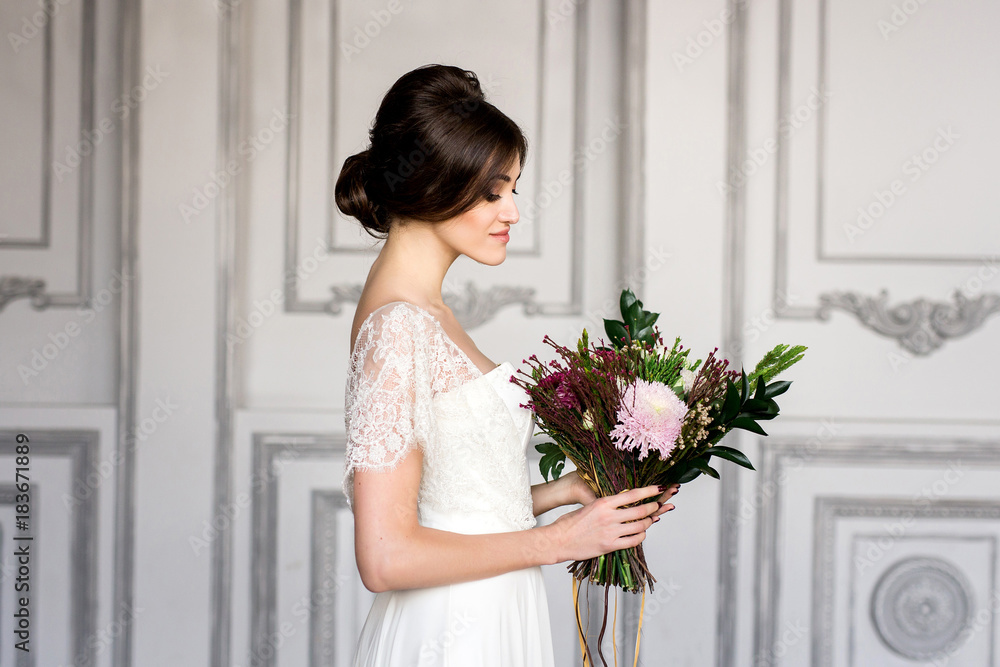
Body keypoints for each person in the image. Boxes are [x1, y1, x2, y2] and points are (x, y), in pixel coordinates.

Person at [336, 63, 679, 666]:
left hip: (491, 611)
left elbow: (456, 500)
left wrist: (564, 492)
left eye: (512, 189)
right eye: (494, 192)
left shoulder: (425, 311)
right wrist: (557, 542)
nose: (513, 212)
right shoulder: (398, 328)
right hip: (448, 630)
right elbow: (386, 557)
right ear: (432, 182)